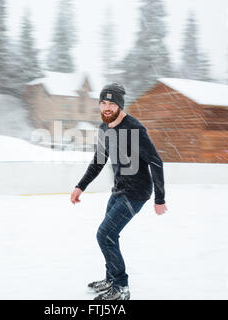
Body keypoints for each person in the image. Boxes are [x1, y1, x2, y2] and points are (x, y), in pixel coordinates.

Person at [70, 83, 168, 300]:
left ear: (119, 105)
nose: (106, 107)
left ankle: (121, 288)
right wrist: (80, 186)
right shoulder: (104, 128)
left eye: (111, 103)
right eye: (103, 103)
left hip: (137, 192)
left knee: (105, 234)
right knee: (110, 236)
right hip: (119, 190)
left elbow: (156, 162)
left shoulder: (134, 128)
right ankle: (111, 280)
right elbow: (98, 161)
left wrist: (160, 198)